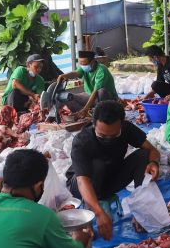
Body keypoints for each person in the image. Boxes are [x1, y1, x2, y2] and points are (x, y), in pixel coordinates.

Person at [66, 101, 161, 240]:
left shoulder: (127, 129)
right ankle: (88, 214)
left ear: (122, 124)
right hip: (82, 185)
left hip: (110, 178)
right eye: (103, 136)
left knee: (143, 156)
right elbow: (82, 181)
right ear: (94, 124)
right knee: (98, 164)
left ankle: (142, 210)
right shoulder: (83, 141)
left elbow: (152, 150)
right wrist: (98, 213)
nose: (108, 139)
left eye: (114, 135)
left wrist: (153, 163)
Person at [56, 50, 118, 119]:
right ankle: (85, 114)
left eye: (84, 64)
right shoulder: (84, 68)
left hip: (106, 98)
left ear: (93, 61)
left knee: (101, 91)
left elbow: (95, 92)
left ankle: (100, 114)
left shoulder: (101, 70)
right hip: (90, 96)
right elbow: (76, 73)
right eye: (80, 63)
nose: (83, 66)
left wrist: (85, 108)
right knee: (67, 97)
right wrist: (64, 75)